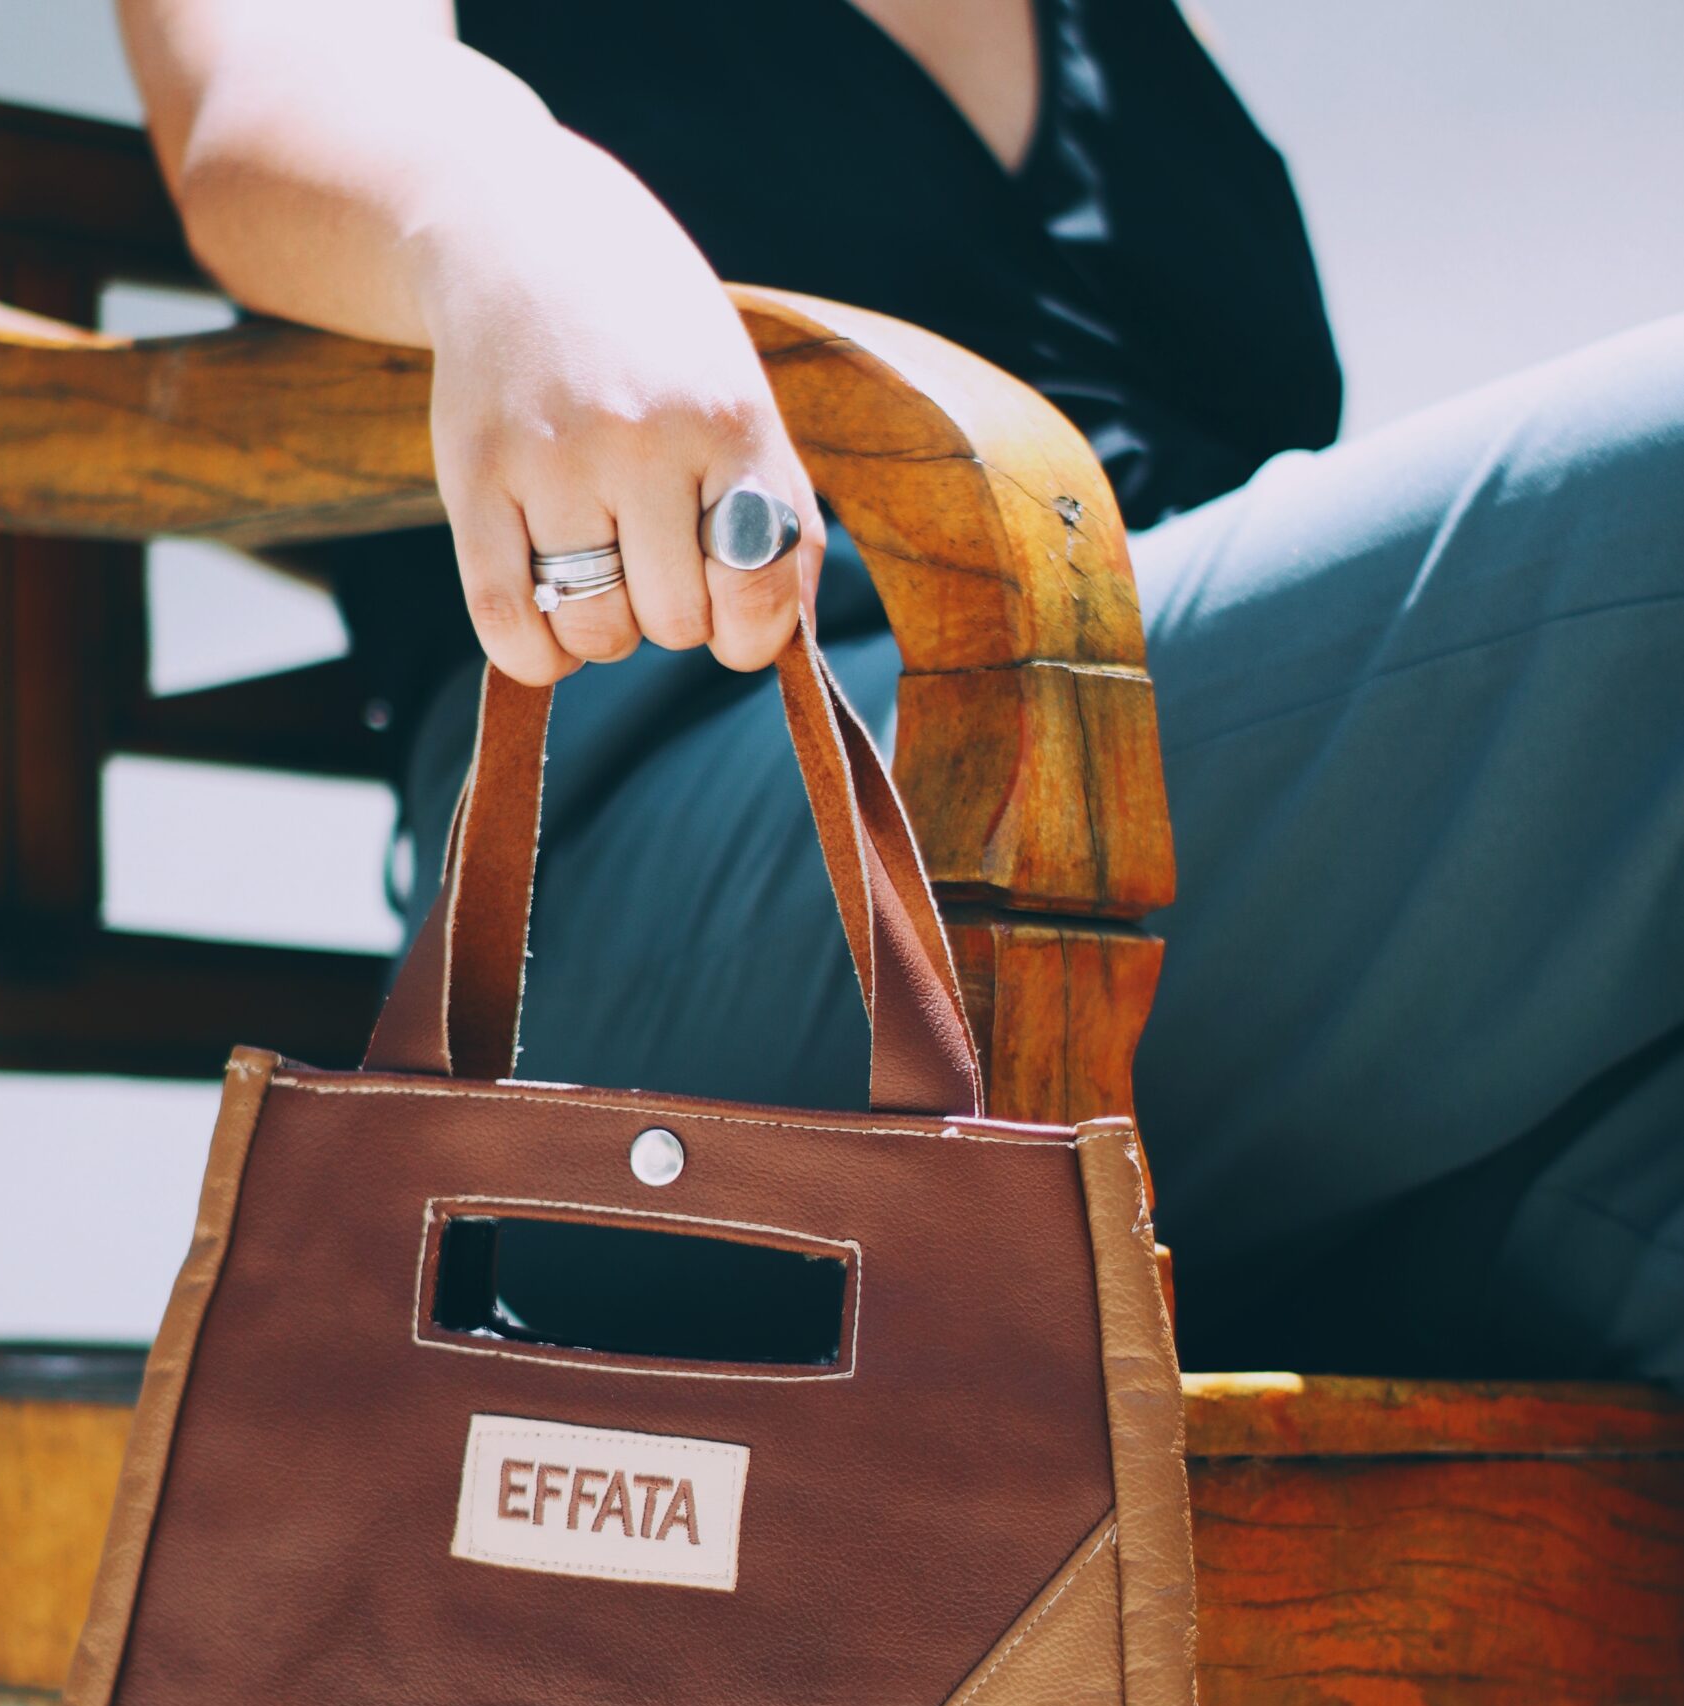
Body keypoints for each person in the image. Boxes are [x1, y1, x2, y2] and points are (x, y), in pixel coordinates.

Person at [120, 0, 1684, 1388]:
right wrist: (523, 222)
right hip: (698, 894)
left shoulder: (1125, 43)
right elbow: (262, 89)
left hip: (1183, 1051)